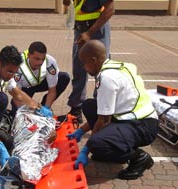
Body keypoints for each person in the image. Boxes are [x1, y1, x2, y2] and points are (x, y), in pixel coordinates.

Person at [67, 40, 159, 180]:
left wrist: (87, 148)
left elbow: (104, 119)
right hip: (132, 117)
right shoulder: (118, 66)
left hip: (143, 126)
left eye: (84, 63)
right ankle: (113, 146)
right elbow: (102, 112)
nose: (84, 68)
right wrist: (81, 131)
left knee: (97, 143)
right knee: (89, 105)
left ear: (93, 60)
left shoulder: (107, 78)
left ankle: (139, 158)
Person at [63, 0, 114, 123]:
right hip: (80, 30)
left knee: (101, 72)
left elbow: (110, 9)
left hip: (96, 31)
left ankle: (100, 111)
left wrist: (89, 33)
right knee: (79, 70)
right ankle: (76, 109)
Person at [11, 41, 70, 117]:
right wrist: (21, 112)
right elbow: (16, 94)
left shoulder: (50, 61)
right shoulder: (18, 63)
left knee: (64, 77)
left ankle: (43, 107)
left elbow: (52, 90)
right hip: (25, 88)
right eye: (37, 59)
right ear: (29, 55)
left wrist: (46, 107)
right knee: (17, 114)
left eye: (42, 59)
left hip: (40, 82)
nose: (40, 62)